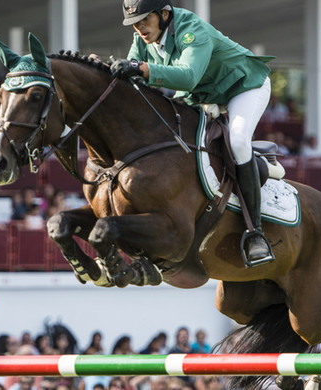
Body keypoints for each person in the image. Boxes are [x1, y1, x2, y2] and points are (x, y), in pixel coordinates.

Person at [113, 0, 275, 266]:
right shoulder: (142, 38)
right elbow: (131, 76)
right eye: (134, 23)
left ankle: (255, 233)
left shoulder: (191, 29)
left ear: (164, 14)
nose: (139, 27)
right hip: (203, 95)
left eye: (144, 20)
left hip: (243, 86)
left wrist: (140, 68)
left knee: (237, 141)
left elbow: (187, 77)